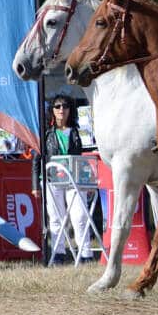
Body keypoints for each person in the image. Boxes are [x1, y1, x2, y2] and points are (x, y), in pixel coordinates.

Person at [38, 96, 95, 263]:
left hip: (75, 178)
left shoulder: (79, 132)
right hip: (51, 179)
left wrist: (89, 179)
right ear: (52, 110)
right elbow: (37, 159)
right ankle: (59, 253)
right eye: (57, 106)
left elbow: (86, 157)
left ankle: (85, 254)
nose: (61, 109)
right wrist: (35, 185)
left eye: (65, 106)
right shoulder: (46, 133)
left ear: (71, 110)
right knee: (56, 218)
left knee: (80, 216)